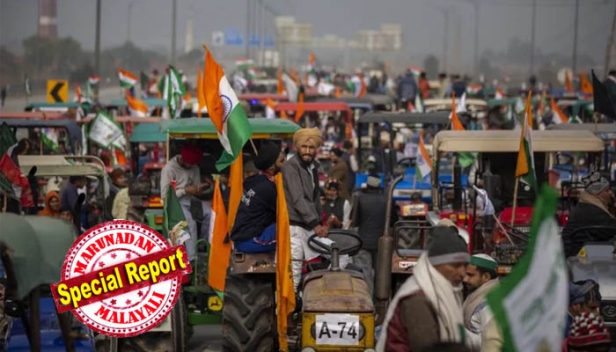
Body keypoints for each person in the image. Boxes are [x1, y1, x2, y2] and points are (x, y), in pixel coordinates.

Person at [376, 224, 469, 352]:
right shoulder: (418, 300)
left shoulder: (445, 292)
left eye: (465, 265)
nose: (462, 273)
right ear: (435, 265)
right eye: (455, 265)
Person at [283, 127, 349, 291]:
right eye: (304, 147)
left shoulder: (312, 167)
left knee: (340, 255)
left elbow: (315, 200)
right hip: (295, 229)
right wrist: (315, 224)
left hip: (310, 228)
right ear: (297, 148)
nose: (307, 151)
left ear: (316, 149)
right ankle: (293, 310)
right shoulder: (291, 167)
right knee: (294, 277)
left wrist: (321, 222)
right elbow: (298, 199)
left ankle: (321, 291)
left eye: (311, 147)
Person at [231, 142, 286, 253]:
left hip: (243, 237)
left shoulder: (259, 179)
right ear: (271, 166)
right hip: (250, 241)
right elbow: (284, 213)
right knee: (293, 231)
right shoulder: (267, 188)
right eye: (282, 161)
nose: (286, 164)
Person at [160, 144, 211, 262]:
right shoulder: (169, 169)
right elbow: (165, 197)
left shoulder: (194, 168)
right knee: (190, 223)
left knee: (211, 212)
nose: (192, 167)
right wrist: (185, 190)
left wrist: (200, 189)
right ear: (183, 160)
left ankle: (202, 245)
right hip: (175, 203)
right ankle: (192, 258)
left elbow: (195, 187)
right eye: (190, 164)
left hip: (191, 200)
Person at [351, 173, 397, 294]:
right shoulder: (387, 199)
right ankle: (380, 299)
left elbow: (354, 220)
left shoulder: (359, 198)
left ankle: (368, 299)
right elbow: (394, 220)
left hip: (363, 242)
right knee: (381, 272)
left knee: (365, 272)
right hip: (382, 243)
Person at [562, 171, 616, 258]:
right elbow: (611, 229)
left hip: (571, 254)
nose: (610, 193)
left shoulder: (584, 206)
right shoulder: (595, 211)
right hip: (578, 257)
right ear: (598, 192)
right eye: (607, 190)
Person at [462, 254, 499, 351]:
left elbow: (488, 343)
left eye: (470, 275)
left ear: (486, 277)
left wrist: (459, 331)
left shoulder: (491, 304)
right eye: (465, 274)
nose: (465, 279)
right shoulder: (474, 295)